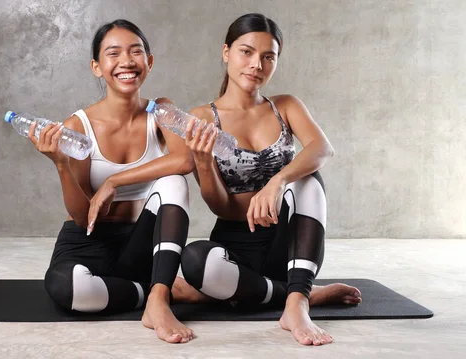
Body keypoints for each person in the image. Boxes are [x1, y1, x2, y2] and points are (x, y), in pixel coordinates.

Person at [178, 13, 362, 346]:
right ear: (226, 53)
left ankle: (295, 304)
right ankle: (302, 293)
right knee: (194, 261)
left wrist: (277, 182)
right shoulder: (203, 118)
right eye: (246, 52)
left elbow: (323, 149)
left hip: (286, 244)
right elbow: (220, 206)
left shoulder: (286, 106)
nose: (256, 64)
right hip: (235, 250)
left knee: (308, 178)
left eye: (268, 56)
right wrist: (204, 163)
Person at [30, 19, 195, 344]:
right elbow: (81, 217)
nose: (126, 61)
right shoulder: (77, 125)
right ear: (97, 66)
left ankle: (158, 300)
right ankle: (148, 293)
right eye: (113, 53)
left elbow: (184, 160)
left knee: (173, 181)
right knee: (65, 287)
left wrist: (114, 181)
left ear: (149, 61)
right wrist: (61, 164)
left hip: (140, 244)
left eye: (136, 52)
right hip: (87, 242)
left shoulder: (162, 111)